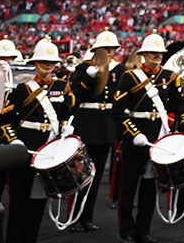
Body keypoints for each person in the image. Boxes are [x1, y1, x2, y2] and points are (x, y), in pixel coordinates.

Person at [112, 32, 184, 243]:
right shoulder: (129, 77)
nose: (157, 56)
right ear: (144, 54)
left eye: (160, 53)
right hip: (136, 138)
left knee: (149, 187)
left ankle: (143, 230)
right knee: (128, 187)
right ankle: (126, 230)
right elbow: (118, 111)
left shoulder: (170, 76)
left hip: (159, 138)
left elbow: (178, 105)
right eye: (153, 53)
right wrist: (133, 133)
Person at [0, 37, 75, 243]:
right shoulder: (23, 89)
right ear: (35, 63)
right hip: (25, 151)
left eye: (51, 62)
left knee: (39, 200)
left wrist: (66, 124)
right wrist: (13, 141)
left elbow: (65, 110)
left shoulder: (61, 86)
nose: (47, 66)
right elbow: (4, 121)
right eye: (43, 62)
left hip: (48, 151)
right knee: (18, 201)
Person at [68, 29, 121, 233]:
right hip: (87, 125)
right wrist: (88, 78)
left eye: (112, 48)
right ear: (97, 49)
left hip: (107, 125)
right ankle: (74, 216)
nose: (109, 52)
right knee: (81, 174)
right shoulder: (84, 68)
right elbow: (75, 95)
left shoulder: (120, 70)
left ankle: (86, 217)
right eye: (105, 48)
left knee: (96, 176)